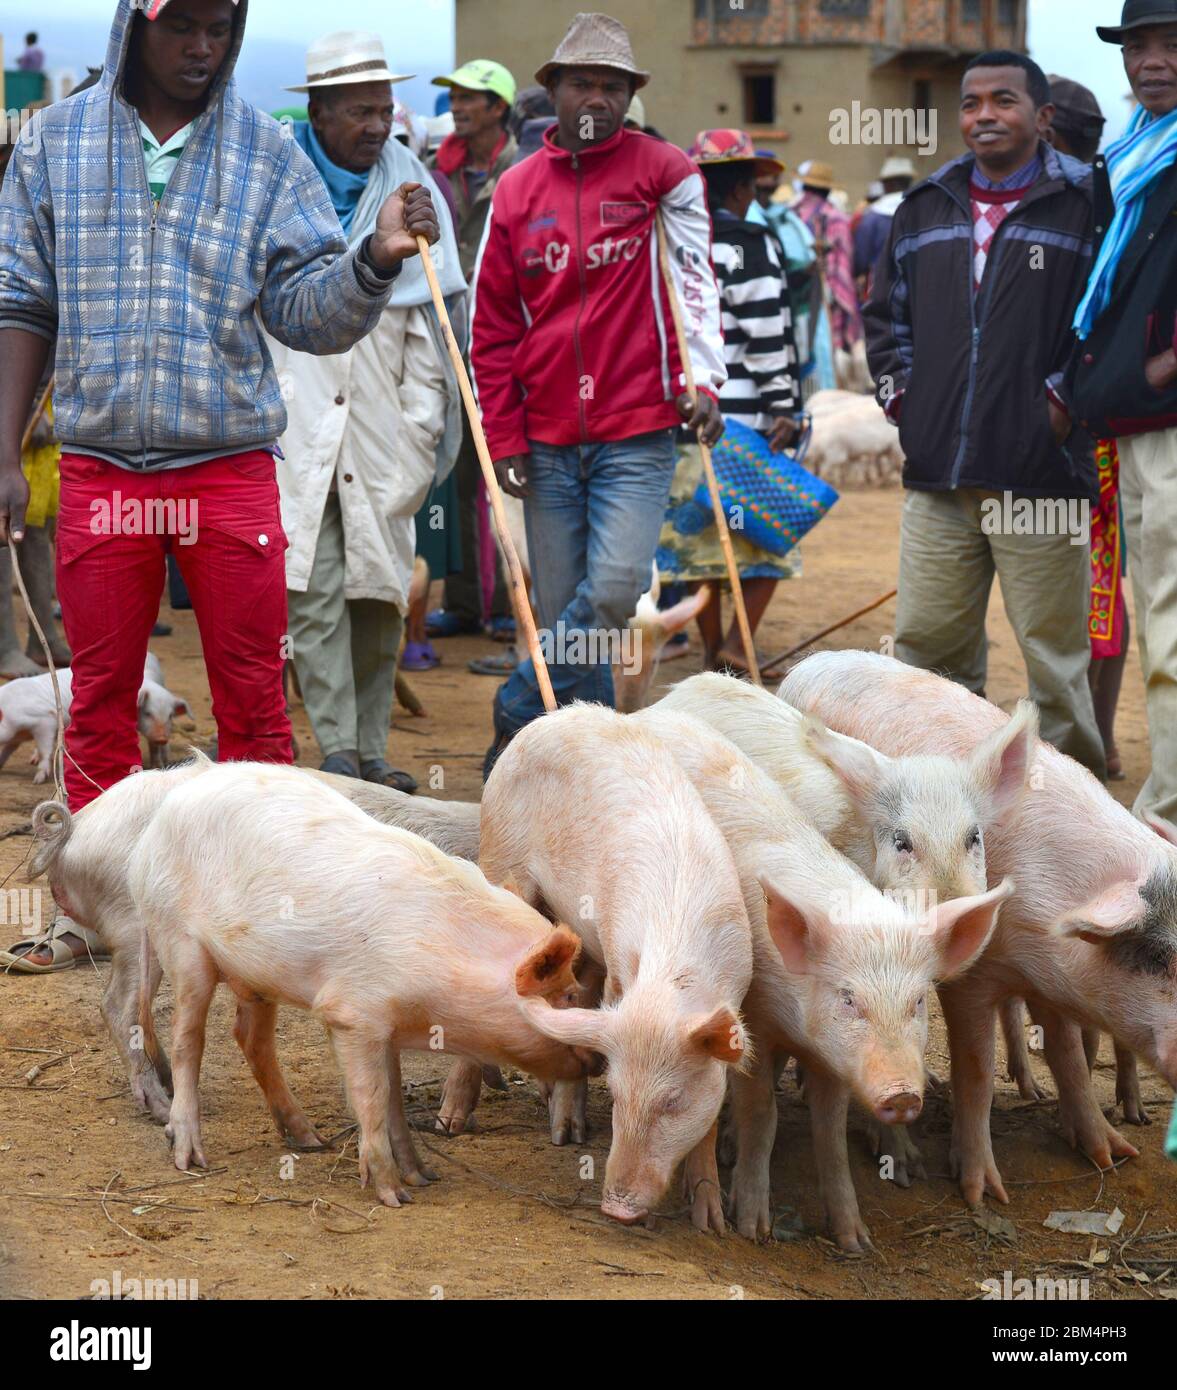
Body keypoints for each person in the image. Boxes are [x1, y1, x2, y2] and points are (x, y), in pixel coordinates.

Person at [0, 0, 438, 970]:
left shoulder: (263, 154)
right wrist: (4, 451)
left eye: (220, 27)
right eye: (180, 25)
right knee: (103, 693)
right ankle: (94, 908)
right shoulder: (57, 144)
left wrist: (370, 260)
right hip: (104, 467)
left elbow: (304, 312)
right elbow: (23, 299)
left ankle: (258, 908)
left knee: (250, 701)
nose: (201, 47)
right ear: (133, 26)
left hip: (228, 466)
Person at [470, 11, 724, 773]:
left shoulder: (663, 171)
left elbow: (692, 278)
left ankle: (519, 708)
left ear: (628, 95)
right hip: (544, 437)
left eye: (612, 85)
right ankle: (584, 769)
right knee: (565, 618)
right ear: (553, 90)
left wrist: (702, 380)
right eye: (582, 82)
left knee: (612, 592)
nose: (597, 98)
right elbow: (492, 326)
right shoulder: (515, 191)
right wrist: (504, 436)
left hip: (635, 429)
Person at [865, 50, 1105, 775]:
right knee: (926, 655)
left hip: (1040, 474)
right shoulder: (924, 206)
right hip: (937, 474)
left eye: (1003, 101)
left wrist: (1060, 403)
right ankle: (935, 808)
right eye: (971, 103)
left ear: (1041, 116)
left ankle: (1071, 824)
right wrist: (905, 400)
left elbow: (1104, 322)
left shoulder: (1087, 205)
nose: (984, 116)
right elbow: (885, 320)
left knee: (1054, 664)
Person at [266, 32, 463, 792]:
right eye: (358, 111)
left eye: (383, 110)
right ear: (317, 111)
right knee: (310, 584)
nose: (377, 126)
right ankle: (338, 748)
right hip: (300, 399)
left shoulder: (412, 189)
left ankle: (374, 749)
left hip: (384, 414)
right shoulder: (280, 185)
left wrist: (420, 426)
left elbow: (432, 323)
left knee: (380, 586)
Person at [1070, 0, 1177, 821]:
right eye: (1137, 45)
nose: (1151, 60)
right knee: (1153, 620)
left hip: (1165, 414)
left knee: (1171, 625)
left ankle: (1167, 815)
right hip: (1130, 418)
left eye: (1170, 43)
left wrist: (1164, 362)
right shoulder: (1132, 156)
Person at [658, 130, 801, 672]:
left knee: (703, 540)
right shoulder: (752, 243)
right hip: (747, 418)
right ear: (744, 188)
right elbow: (766, 336)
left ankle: (715, 646)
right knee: (770, 535)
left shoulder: (674, 239)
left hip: (688, 415)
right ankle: (739, 647)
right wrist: (785, 405)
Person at [1044, 75, 1126, 778]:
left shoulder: (1089, 206)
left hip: (1086, 426)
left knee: (1095, 582)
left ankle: (1092, 739)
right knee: (1098, 580)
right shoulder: (1096, 200)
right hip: (1087, 419)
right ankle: (1094, 734)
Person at [424, 59, 519, 648]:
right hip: (448, 337)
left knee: (510, 471)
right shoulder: (438, 173)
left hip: (508, 340)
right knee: (456, 473)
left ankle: (513, 602)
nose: (458, 106)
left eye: (471, 97)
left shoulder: (522, 173)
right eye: (454, 95)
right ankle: (464, 601)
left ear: (498, 108)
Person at [793, 158, 863, 390]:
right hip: (828, 298)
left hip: (796, 296)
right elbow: (843, 267)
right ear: (827, 189)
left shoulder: (789, 217)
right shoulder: (837, 219)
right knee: (827, 347)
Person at [854, 156, 916, 288]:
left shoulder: (872, 217)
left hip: (881, 285)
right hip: (917, 285)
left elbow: (861, 258)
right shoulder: (923, 211)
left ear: (888, 183)